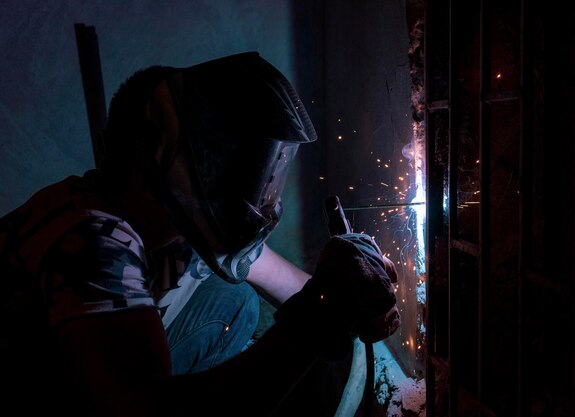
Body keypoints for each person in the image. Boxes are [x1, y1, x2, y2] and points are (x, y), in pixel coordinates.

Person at [0, 51, 400, 416]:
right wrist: (320, 317)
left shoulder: (179, 224)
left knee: (235, 300)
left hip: (91, 366)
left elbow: (291, 285)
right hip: (42, 390)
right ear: (158, 151)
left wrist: (348, 295)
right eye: (220, 162)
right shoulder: (93, 238)